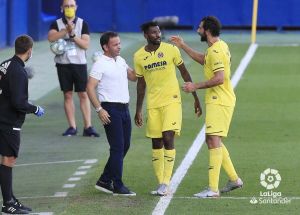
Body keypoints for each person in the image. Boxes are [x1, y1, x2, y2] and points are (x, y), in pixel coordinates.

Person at [170, 16, 243, 198]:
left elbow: (219, 78)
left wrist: (194, 86)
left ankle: (213, 189)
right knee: (213, 140)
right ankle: (234, 180)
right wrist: (183, 45)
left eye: (200, 28)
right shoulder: (217, 47)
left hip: (220, 99)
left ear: (207, 30)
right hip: (219, 99)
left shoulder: (217, 51)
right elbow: (204, 60)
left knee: (212, 140)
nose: (198, 30)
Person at [134, 21, 202, 196]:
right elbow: (140, 84)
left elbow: (184, 72)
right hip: (153, 104)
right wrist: (138, 109)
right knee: (156, 142)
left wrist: (195, 97)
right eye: (153, 33)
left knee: (167, 136)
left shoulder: (171, 50)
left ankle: (165, 182)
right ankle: (161, 183)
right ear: (146, 35)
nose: (158, 35)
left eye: (158, 32)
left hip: (172, 101)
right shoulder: (139, 56)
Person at [87, 32, 137, 196]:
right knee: (117, 148)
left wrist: (143, 65)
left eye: (119, 43)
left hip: (124, 108)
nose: (119, 46)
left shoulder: (121, 60)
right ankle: (117, 184)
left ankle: (104, 180)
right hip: (110, 109)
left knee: (125, 146)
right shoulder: (100, 64)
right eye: (115, 44)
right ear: (105, 47)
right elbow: (90, 88)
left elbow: (133, 76)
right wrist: (99, 109)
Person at [0, 35, 45, 214]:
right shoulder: (19, 72)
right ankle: (8, 203)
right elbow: (19, 102)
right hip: (9, 121)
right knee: (9, 159)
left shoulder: (5, 64)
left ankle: (9, 199)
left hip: (2, 117)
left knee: (5, 158)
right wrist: (34, 109)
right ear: (30, 50)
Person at [48, 0, 99, 137]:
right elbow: (51, 37)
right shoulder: (56, 23)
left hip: (79, 63)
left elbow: (85, 45)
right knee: (67, 94)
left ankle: (88, 127)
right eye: (66, 6)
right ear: (61, 8)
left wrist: (72, 34)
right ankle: (72, 127)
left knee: (83, 94)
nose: (69, 8)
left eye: (71, 5)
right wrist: (65, 30)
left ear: (76, 7)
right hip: (63, 64)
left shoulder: (83, 24)